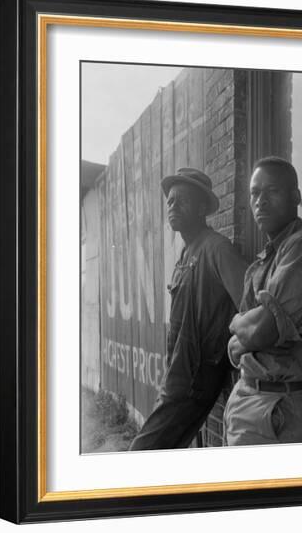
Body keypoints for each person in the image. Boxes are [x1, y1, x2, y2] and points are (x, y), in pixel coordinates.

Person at [224, 156, 302, 446]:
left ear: (295, 197)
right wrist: (249, 329)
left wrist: (239, 322)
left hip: (275, 406)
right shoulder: (265, 260)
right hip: (250, 398)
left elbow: (257, 331)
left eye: (272, 191)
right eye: (255, 193)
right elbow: (236, 347)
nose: (260, 201)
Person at [129, 167, 247, 450]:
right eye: (170, 200)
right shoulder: (186, 252)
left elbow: (250, 307)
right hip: (177, 375)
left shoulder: (217, 248)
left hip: (195, 382)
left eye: (182, 200)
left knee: (140, 454)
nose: (172, 205)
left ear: (202, 207)